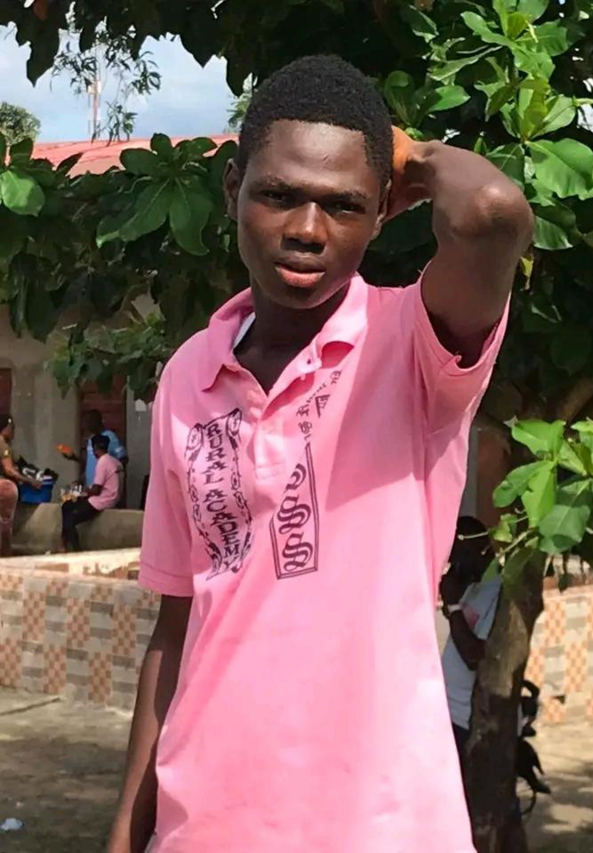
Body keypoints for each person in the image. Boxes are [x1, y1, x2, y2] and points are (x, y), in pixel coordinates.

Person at [108, 55, 533, 853]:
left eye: (343, 205)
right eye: (278, 194)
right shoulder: (189, 376)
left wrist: (411, 156)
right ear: (232, 188)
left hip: (381, 825)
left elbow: (491, 213)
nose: (307, 229)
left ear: (383, 213)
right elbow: (176, 626)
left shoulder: (414, 349)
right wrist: (127, 829)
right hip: (205, 822)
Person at [440, 517, 529, 852]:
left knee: (495, 808)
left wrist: (452, 606)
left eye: (457, 554)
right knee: (470, 805)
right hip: (455, 716)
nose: (453, 564)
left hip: (480, 721)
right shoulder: (475, 585)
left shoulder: (501, 591)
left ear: (479, 548)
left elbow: (476, 657)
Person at [61, 434, 123, 552]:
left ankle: (76, 549)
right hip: (112, 497)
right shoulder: (114, 461)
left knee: (70, 518)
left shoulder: (102, 462)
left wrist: (82, 491)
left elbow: (96, 490)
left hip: (102, 501)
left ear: (95, 448)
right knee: (67, 506)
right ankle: (63, 544)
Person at [0, 415, 41, 557]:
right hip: (3, 487)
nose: (13, 432)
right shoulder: (2, 444)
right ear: (6, 428)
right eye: (12, 428)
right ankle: (5, 553)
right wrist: (30, 481)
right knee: (5, 523)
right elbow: (9, 470)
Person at [62, 409, 127, 486]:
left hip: (104, 488)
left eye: (88, 423)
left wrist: (111, 477)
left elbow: (124, 459)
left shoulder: (110, 437)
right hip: (91, 486)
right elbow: (91, 462)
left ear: (96, 422)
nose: (85, 426)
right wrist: (74, 458)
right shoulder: (91, 439)